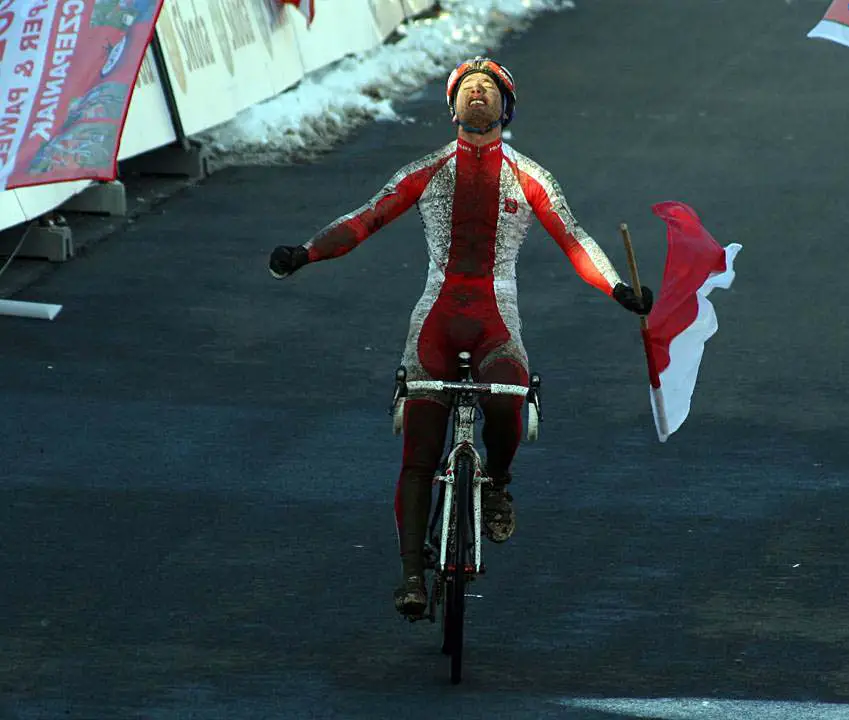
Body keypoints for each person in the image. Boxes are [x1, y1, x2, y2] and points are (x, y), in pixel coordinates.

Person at [268, 57, 654, 618]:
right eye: (467, 88)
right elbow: (366, 218)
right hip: (435, 320)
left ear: (506, 107)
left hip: (497, 320)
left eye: (489, 89)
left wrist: (619, 288)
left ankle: (497, 481)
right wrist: (304, 253)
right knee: (420, 451)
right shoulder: (429, 169)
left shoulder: (531, 177)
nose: (478, 94)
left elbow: (574, 240)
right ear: (452, 108)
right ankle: (410, 577)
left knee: (509, 395)